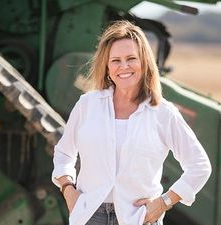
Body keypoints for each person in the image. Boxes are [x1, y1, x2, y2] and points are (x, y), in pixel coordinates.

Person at [51, 20, 211, 225]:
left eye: (131, 58)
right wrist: (68, 190)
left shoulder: (163, 112)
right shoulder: (87, 104)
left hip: (139, 218)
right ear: (107, 67)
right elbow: (64, 153)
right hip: (89, 215)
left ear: (144, 62)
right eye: (115, 60)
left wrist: (164, 202)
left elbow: (199, 165)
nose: (124, 66)